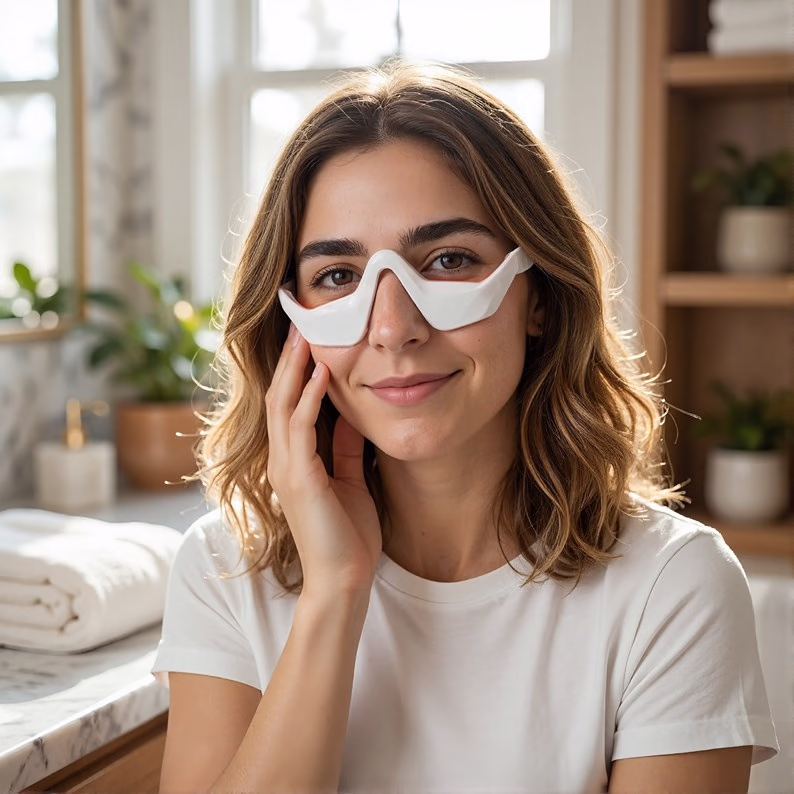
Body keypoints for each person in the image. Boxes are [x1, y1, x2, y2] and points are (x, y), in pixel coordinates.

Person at [151, 61, 778, 793]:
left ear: (537, 295)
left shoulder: (673, 586)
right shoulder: (226, 569)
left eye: (448, 261)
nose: (392, 328)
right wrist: (334, 593)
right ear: (292, 322)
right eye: (337, 276)